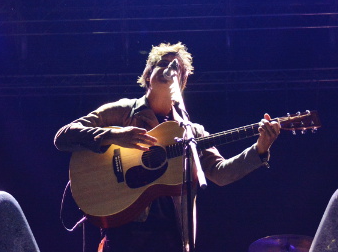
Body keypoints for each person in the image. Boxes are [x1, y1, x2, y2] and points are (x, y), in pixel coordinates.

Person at [55, 42, 281, 252]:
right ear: (148, 74)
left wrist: (259, 149)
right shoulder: (122, 112)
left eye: (176, 67)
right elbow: (63, 136)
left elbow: (220, 173)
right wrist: (113, 135)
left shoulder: (191, 131)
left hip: (172, 237)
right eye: (163, 64)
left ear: (181, 82)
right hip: (124, 233)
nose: (170, 69)